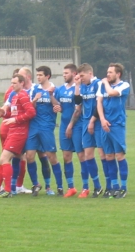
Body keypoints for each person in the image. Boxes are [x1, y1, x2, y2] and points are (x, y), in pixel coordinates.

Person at [0, 74, 36, 198]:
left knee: (3, 159)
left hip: (19, 133)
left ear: (22, 83)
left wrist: (15, 120)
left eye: (15, 83)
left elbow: (31, 112)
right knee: (4, 159)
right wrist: (3, 113)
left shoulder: (23, 95)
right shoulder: (14, 96)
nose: (12, 85)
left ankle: (7, 190)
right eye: (11, 83)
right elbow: (13, 114)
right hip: (13, 131)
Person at [25, 66, 63, 196]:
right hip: (34, 126)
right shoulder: (34, 89)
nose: (38, 77)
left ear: (48, 76)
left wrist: (51, 96)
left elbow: (58, 106)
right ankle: (36, 184)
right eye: (37, 75)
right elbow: (29, 108)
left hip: (47, 127)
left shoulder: (55, 90)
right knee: (29, 156)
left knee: (51, 157)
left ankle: (59, 186)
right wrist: (35, 100)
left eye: (41, 75)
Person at [15, 67, 54, 195]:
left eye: (21, 75)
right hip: (25, 129)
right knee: (25, 156)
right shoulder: (15, 92)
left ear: (27, 77)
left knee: (43, 155)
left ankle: (48, 186)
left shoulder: (34, 89)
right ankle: (31, 184)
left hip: (38, 127)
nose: (18, 77)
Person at [97, 63, 130, 198]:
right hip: (105, 125)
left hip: (117, 125)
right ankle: (114, 187)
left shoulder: (124, 85)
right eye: (107, 72)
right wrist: (102, 120)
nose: (108, 74)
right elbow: (99, 103)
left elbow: (111, 93)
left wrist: (105, 83)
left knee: (119, 156)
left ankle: (123, 187)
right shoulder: (102, 86)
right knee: (108, 156)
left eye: (111, 72)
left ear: (118, 74)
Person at [53, 64, 86, 198]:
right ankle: (71, 187)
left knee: (81, 156)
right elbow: (60, 106)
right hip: (64, 126)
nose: (64, 75)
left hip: (76, 126)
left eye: (66, 73)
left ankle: (85, 187)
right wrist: (56, 106)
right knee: (66, 156)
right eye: (63, 73)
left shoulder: (79, 89)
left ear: (74, 73)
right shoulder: (60, 89)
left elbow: (78, 109)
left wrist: (71, 125)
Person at [74, 63, 104, 198]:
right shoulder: (83, 87)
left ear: (90, 73)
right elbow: (78, 101)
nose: (81, 78)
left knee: (104, 154)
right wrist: (77, 85)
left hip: (97, 122)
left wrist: (93, 120)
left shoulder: (98, 84)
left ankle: (111, 185)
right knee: (88, 155)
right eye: (79, 76)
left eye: (82, 76)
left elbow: (100, 104)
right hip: (86, 122)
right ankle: (97, 186)